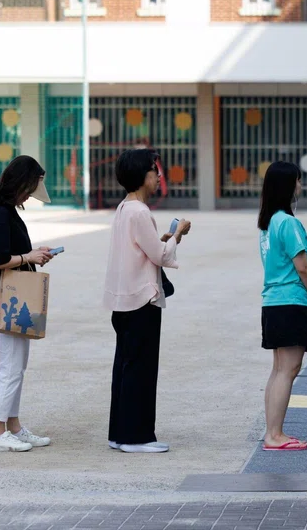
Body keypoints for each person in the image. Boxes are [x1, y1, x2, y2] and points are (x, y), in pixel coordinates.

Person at [103, 149, 191, 453]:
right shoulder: (140, 212)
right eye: (155, 171)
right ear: (143, 176)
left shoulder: (124, 208)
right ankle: (136, 437)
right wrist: (178, 234)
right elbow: (160, 256)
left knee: (125, 368)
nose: (159, 176)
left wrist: (165, 239)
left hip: (123, 300)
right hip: (142, 300)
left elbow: (145, 249)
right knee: (140, 370)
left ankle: (120, 433)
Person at [0, 156, 57, 452]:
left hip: (14, 297)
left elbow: (8, 252)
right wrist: (28, 257)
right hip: (9, 299)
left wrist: (33, 252)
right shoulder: (0, 213)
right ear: (19, 184)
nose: (28, 196)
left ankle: (13, 426)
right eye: (28, 189)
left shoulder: (5, 211)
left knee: (17, 365)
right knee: (9, 365)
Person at [257, 161, 307, 451]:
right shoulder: (288, 222)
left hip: (274, 303)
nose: (301, 185)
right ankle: (275, 435)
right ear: (289, 185)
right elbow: (303, 268)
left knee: (280, 370)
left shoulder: (268, 222)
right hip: (290, 303)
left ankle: (273, 432)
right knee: (288, 369)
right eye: (298, 181)